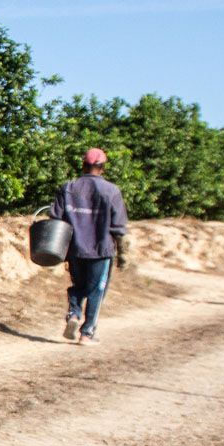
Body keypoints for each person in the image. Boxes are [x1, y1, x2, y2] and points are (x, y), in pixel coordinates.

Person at [51, 147, 129, 345]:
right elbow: (119, 227)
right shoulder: (111, 191)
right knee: (96, 290)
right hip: (101, 250)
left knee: (79, 285)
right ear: (102, 168)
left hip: (75, 249)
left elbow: (55, 218)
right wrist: (122, 255)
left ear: (83, 165)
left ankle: (74, 314)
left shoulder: (68, 188)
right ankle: (87, 334)